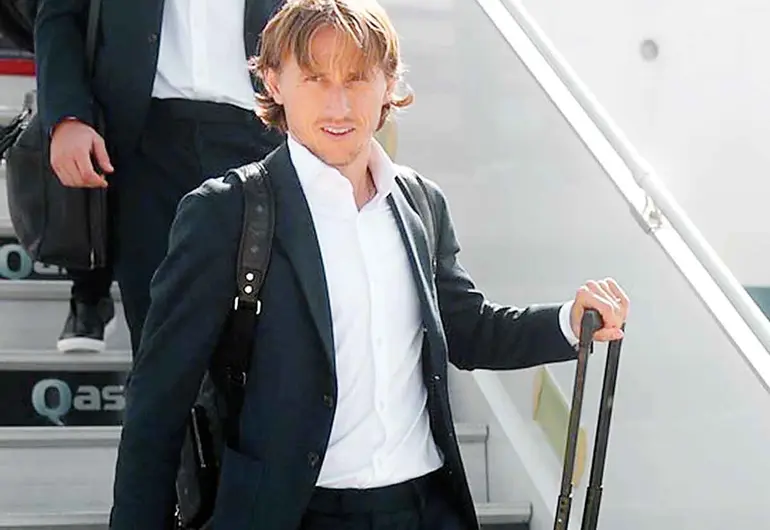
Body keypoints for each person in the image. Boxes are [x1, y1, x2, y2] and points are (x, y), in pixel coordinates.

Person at [109, 1, 630, 529]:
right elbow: (158, 401)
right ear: (274, 82)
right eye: (315, 78)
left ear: (388, 85)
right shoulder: (225, 212)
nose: (338, 105)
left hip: (423, 509)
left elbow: (469, 330)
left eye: (357, 78)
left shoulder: (421, 203)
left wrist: (570, 322)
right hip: (292, 513)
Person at [34, 0, 285, 354]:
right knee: (158, 338)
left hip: (263, 134)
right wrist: (67, 116)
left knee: (264, 336)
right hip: (147, 140)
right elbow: (60, 16)